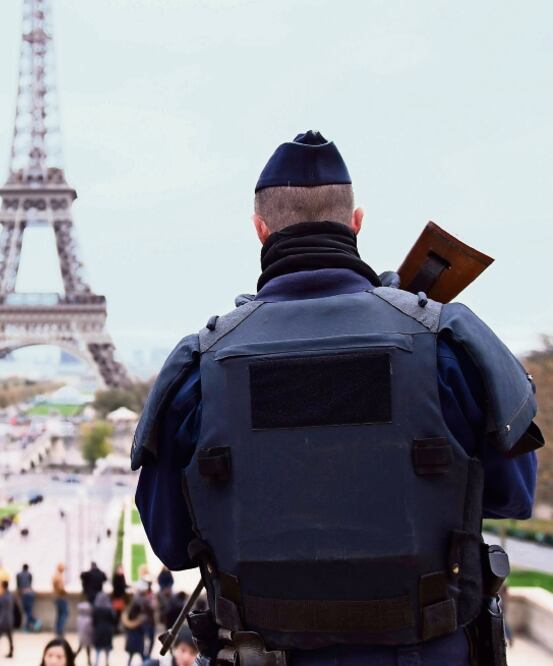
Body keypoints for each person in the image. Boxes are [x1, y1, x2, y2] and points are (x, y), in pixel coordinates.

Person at [132, 131, 545, 665]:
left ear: (259, 229)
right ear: (356, 223)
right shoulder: (446, 344)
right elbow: (513, 494)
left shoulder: (199, 370)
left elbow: (169, 541)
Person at [121, 596, 148, 666]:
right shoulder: (141, 618)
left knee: (131, 656)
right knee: (142, 656)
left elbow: (127, 626)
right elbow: (143, 629)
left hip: (132, 640)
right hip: (138, 641)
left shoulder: (130, 616)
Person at [92, 592, 116, 666]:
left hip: (98, 630)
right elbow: (113, 620)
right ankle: (107, 661)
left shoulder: (95, 609)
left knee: (98, 648)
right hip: (108, 630)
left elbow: (94, 621)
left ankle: (96, 662)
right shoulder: (109, 609)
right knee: (107, 647)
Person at [17, 563, 39, 631]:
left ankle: (35, 621)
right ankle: (27, 627)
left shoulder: (18, 575)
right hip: (31, 593)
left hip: (24, 594)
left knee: (27, 611)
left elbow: (18, 585)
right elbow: (30, 583)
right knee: (28, 610)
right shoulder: (29, 574)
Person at [75, 599, 94, 666]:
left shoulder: (79, 618)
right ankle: (89, 661)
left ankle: (75, 656)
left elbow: (77, 627)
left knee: (80, 647)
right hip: (87, 636)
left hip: (81, 636)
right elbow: (90, 629)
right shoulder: (89, 619)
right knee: (87, 648)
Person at [53, 562, 70, 637]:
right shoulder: (59, 576)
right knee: (64, 614)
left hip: (56, 597)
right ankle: (60, 631)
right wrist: (65, 592)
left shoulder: (55, 576)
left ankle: (57, 630)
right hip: (61, 597)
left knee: (59, 614)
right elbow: (60, 588)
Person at [110, 564, 129, 631]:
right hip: (117, 598)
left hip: (120, 598)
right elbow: (120, 586)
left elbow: (124, 585)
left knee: (119, 613)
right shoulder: (117, 577)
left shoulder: (121, 576)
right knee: (117, 613)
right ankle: (115, 628)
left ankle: (116, 628)